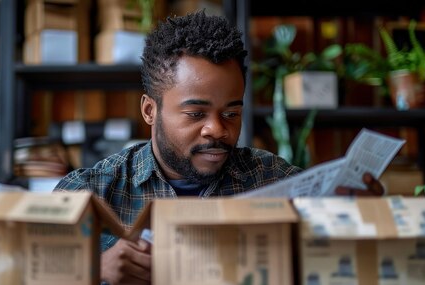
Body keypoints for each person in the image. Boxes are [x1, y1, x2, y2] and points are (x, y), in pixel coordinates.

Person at [54, 11, 384, 285]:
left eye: (231, 113)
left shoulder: (271, 178)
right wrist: (93, 270)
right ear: (150, 111)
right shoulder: (89, 192)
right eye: (196, 114)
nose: (217, 129)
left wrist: (358, 220)